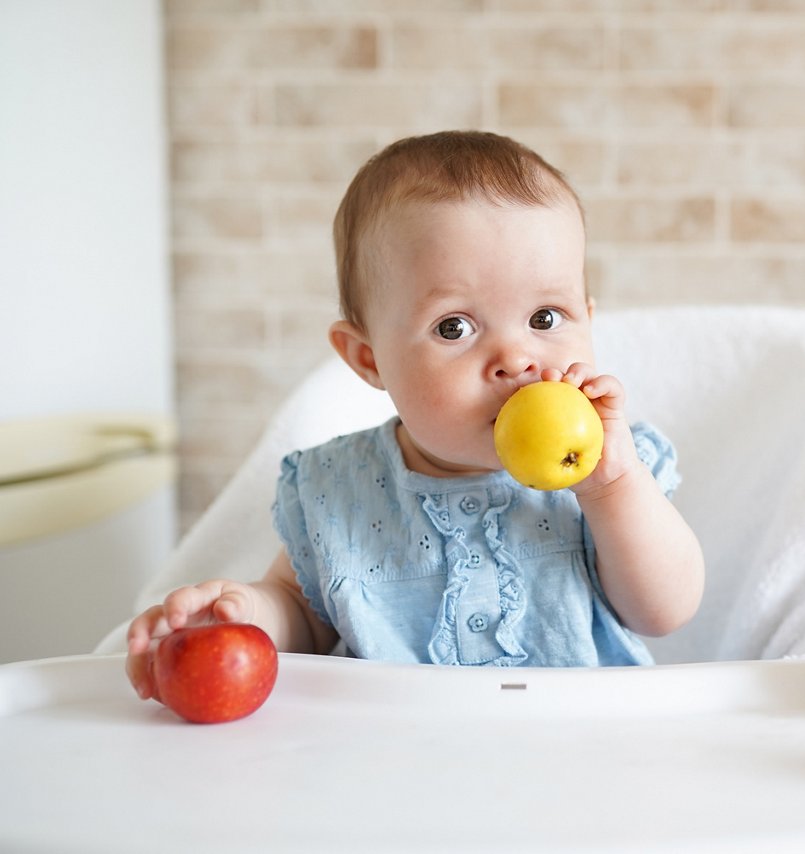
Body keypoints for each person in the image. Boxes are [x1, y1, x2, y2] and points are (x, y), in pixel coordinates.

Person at [126, 131, 704, 695]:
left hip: (581, 746)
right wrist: (244, 616)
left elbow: (665, 611)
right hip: (396, 759)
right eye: (454, 327)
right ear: (369, 358)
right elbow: (303, 615)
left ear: (588, 319)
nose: (516, 359)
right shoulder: (338, 490)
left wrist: (612, 490)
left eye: (546, 318)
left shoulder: (614, 465)